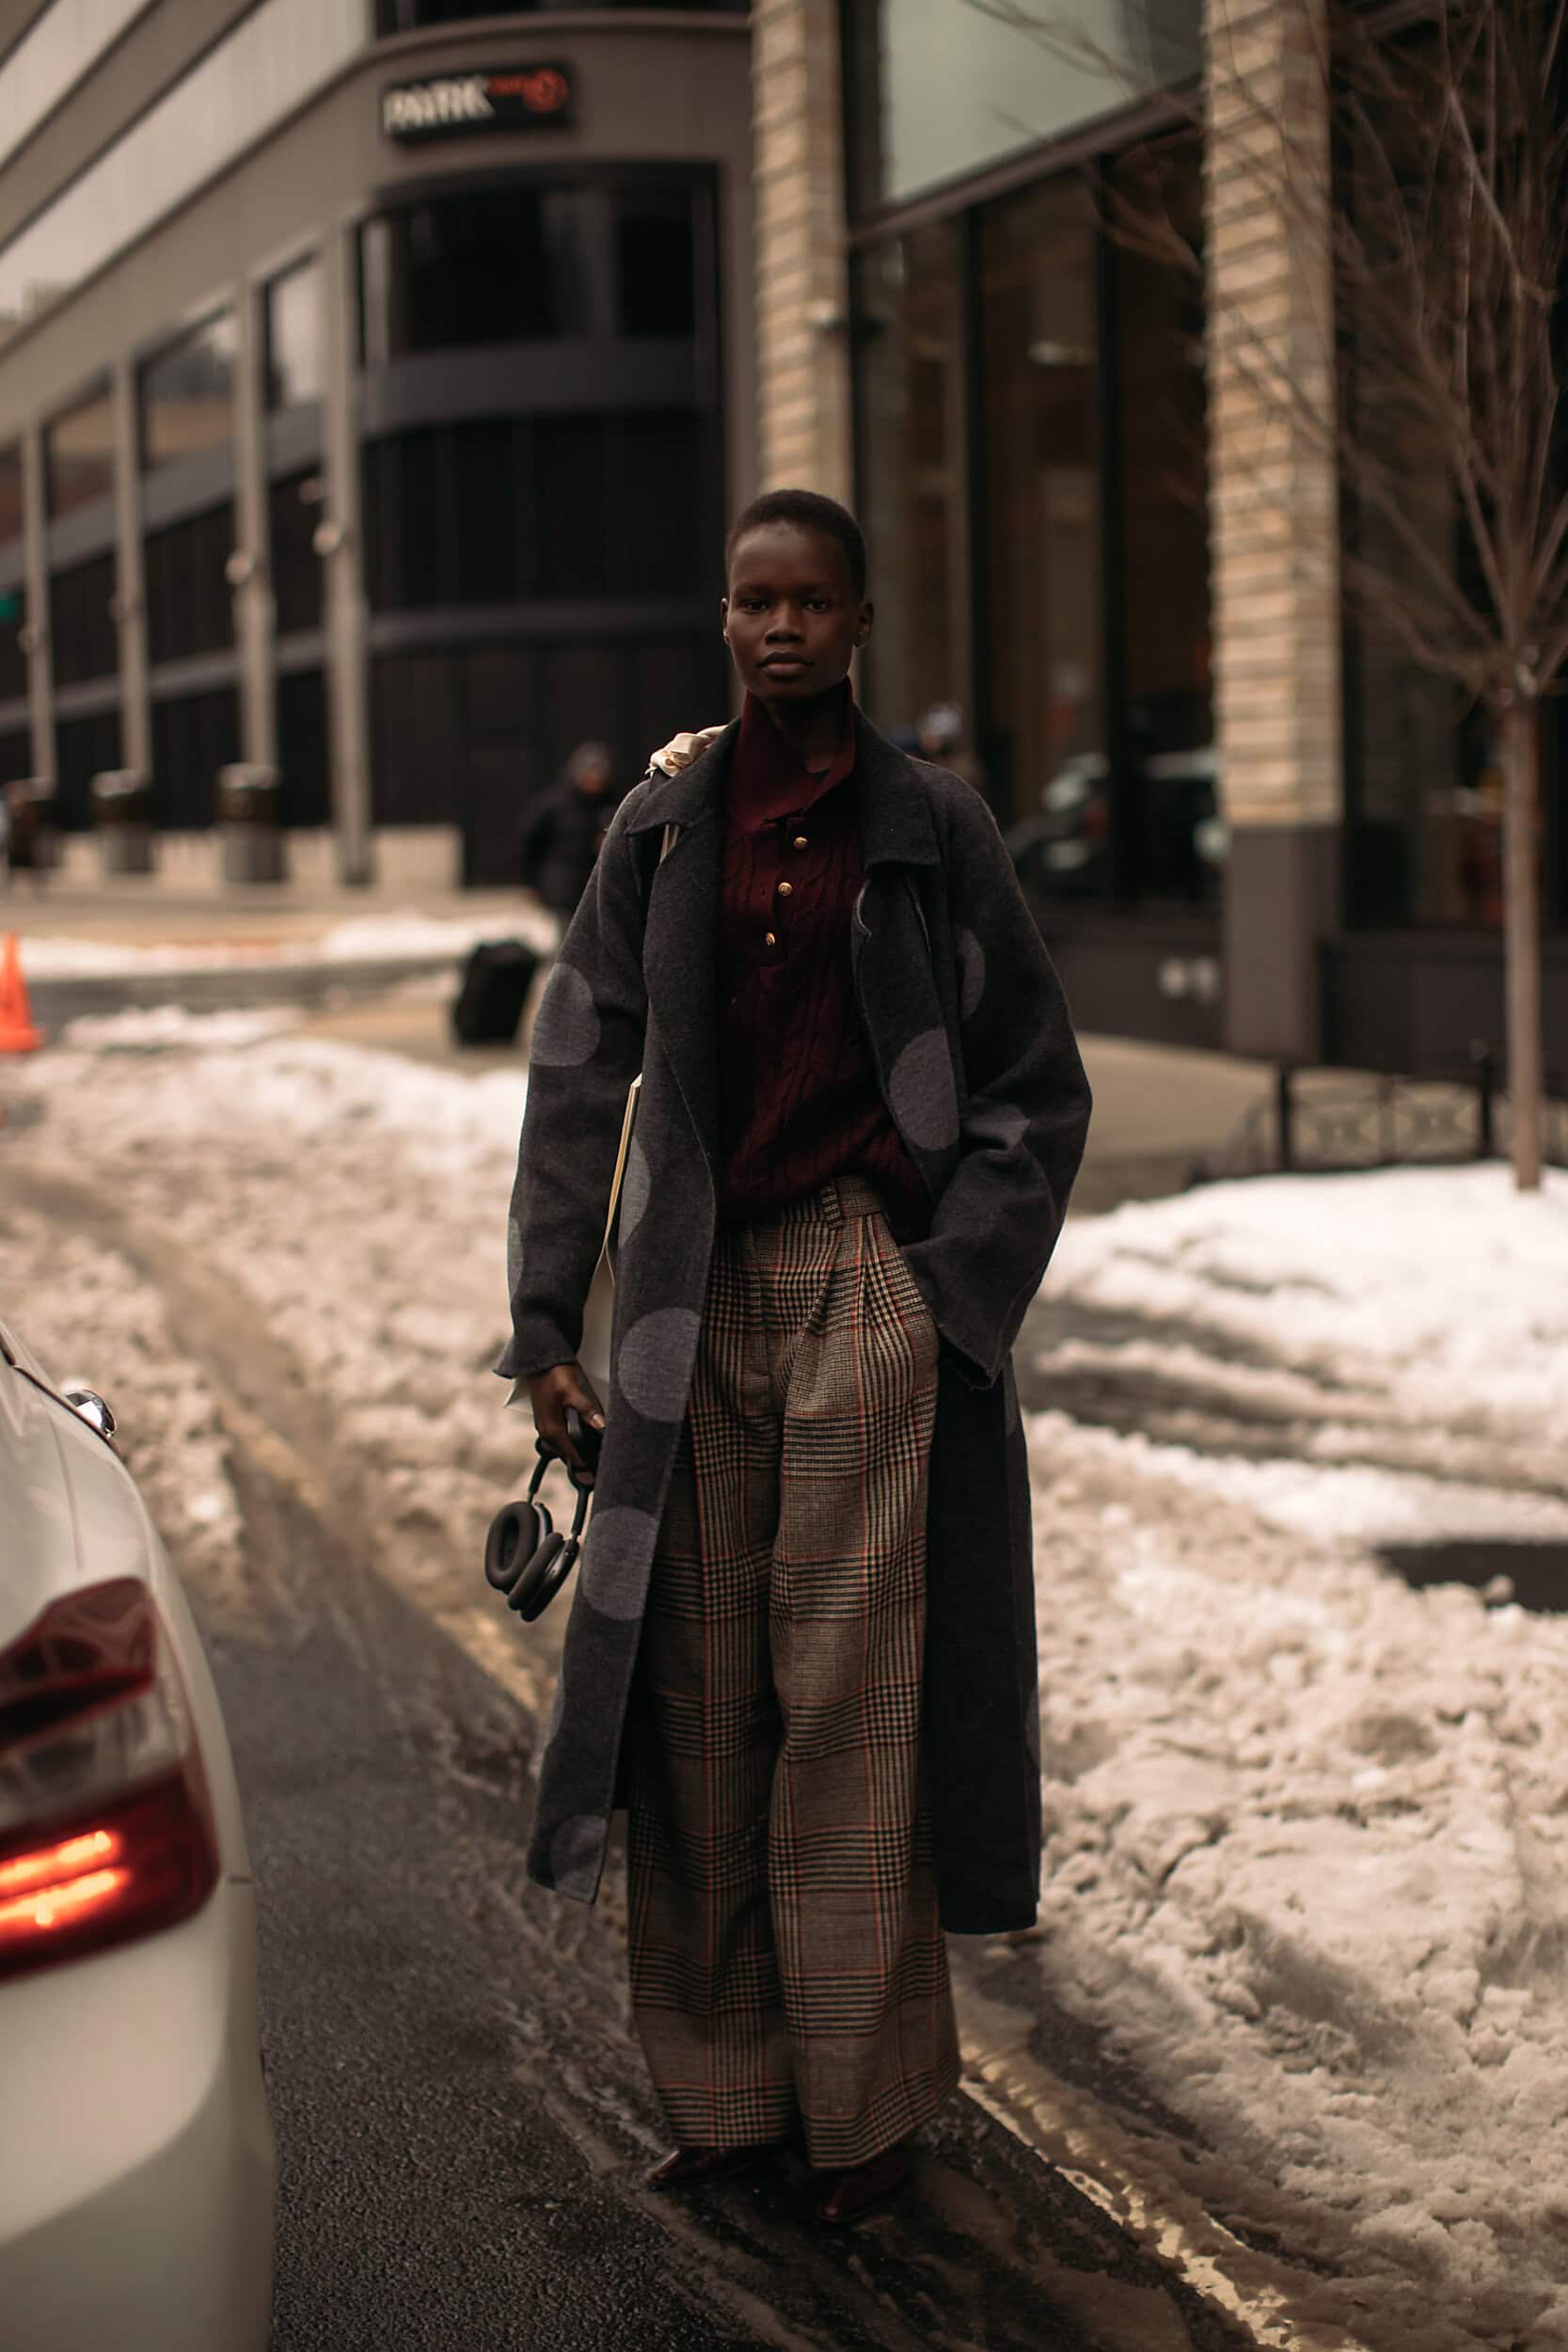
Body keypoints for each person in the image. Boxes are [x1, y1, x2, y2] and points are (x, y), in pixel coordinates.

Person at [497, 489, 1091, 2226]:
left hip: (862, 1286)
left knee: (850, 1712)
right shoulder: (664, 828)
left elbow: (1033, 1092)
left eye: (810, 601)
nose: (779, 628)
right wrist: (547, 1324)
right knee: (694, 1714)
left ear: (856, 622)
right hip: (687, 1300)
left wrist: (941, 1295)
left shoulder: (935, 828)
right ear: (726, 617)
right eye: (754, 599)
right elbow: (573, 1072)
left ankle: (867, 2117)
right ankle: (727, 2097)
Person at [517, 739, 621, 938]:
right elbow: (530, 844)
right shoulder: (555, 805)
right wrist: (530, 882)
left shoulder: (610, 803)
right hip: (563, 883)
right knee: (569, 936)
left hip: (597, 880)